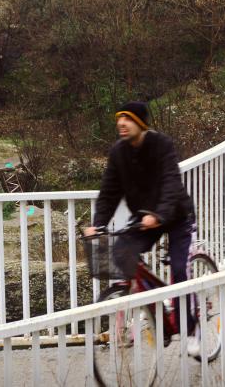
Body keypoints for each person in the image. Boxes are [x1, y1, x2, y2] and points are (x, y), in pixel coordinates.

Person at [82, 101, 200, 354]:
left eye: (128, 119)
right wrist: (97, 225)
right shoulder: (118, 153)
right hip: (146, 219)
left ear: (141, 123)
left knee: (179, 270)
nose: (121, 124)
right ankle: (157, 311)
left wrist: (160, 214)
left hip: (176, 215)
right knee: (121, 254)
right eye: (119, 119)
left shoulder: (162, 145)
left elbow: (171, 182)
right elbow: (109, 193)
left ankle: (191, 328)